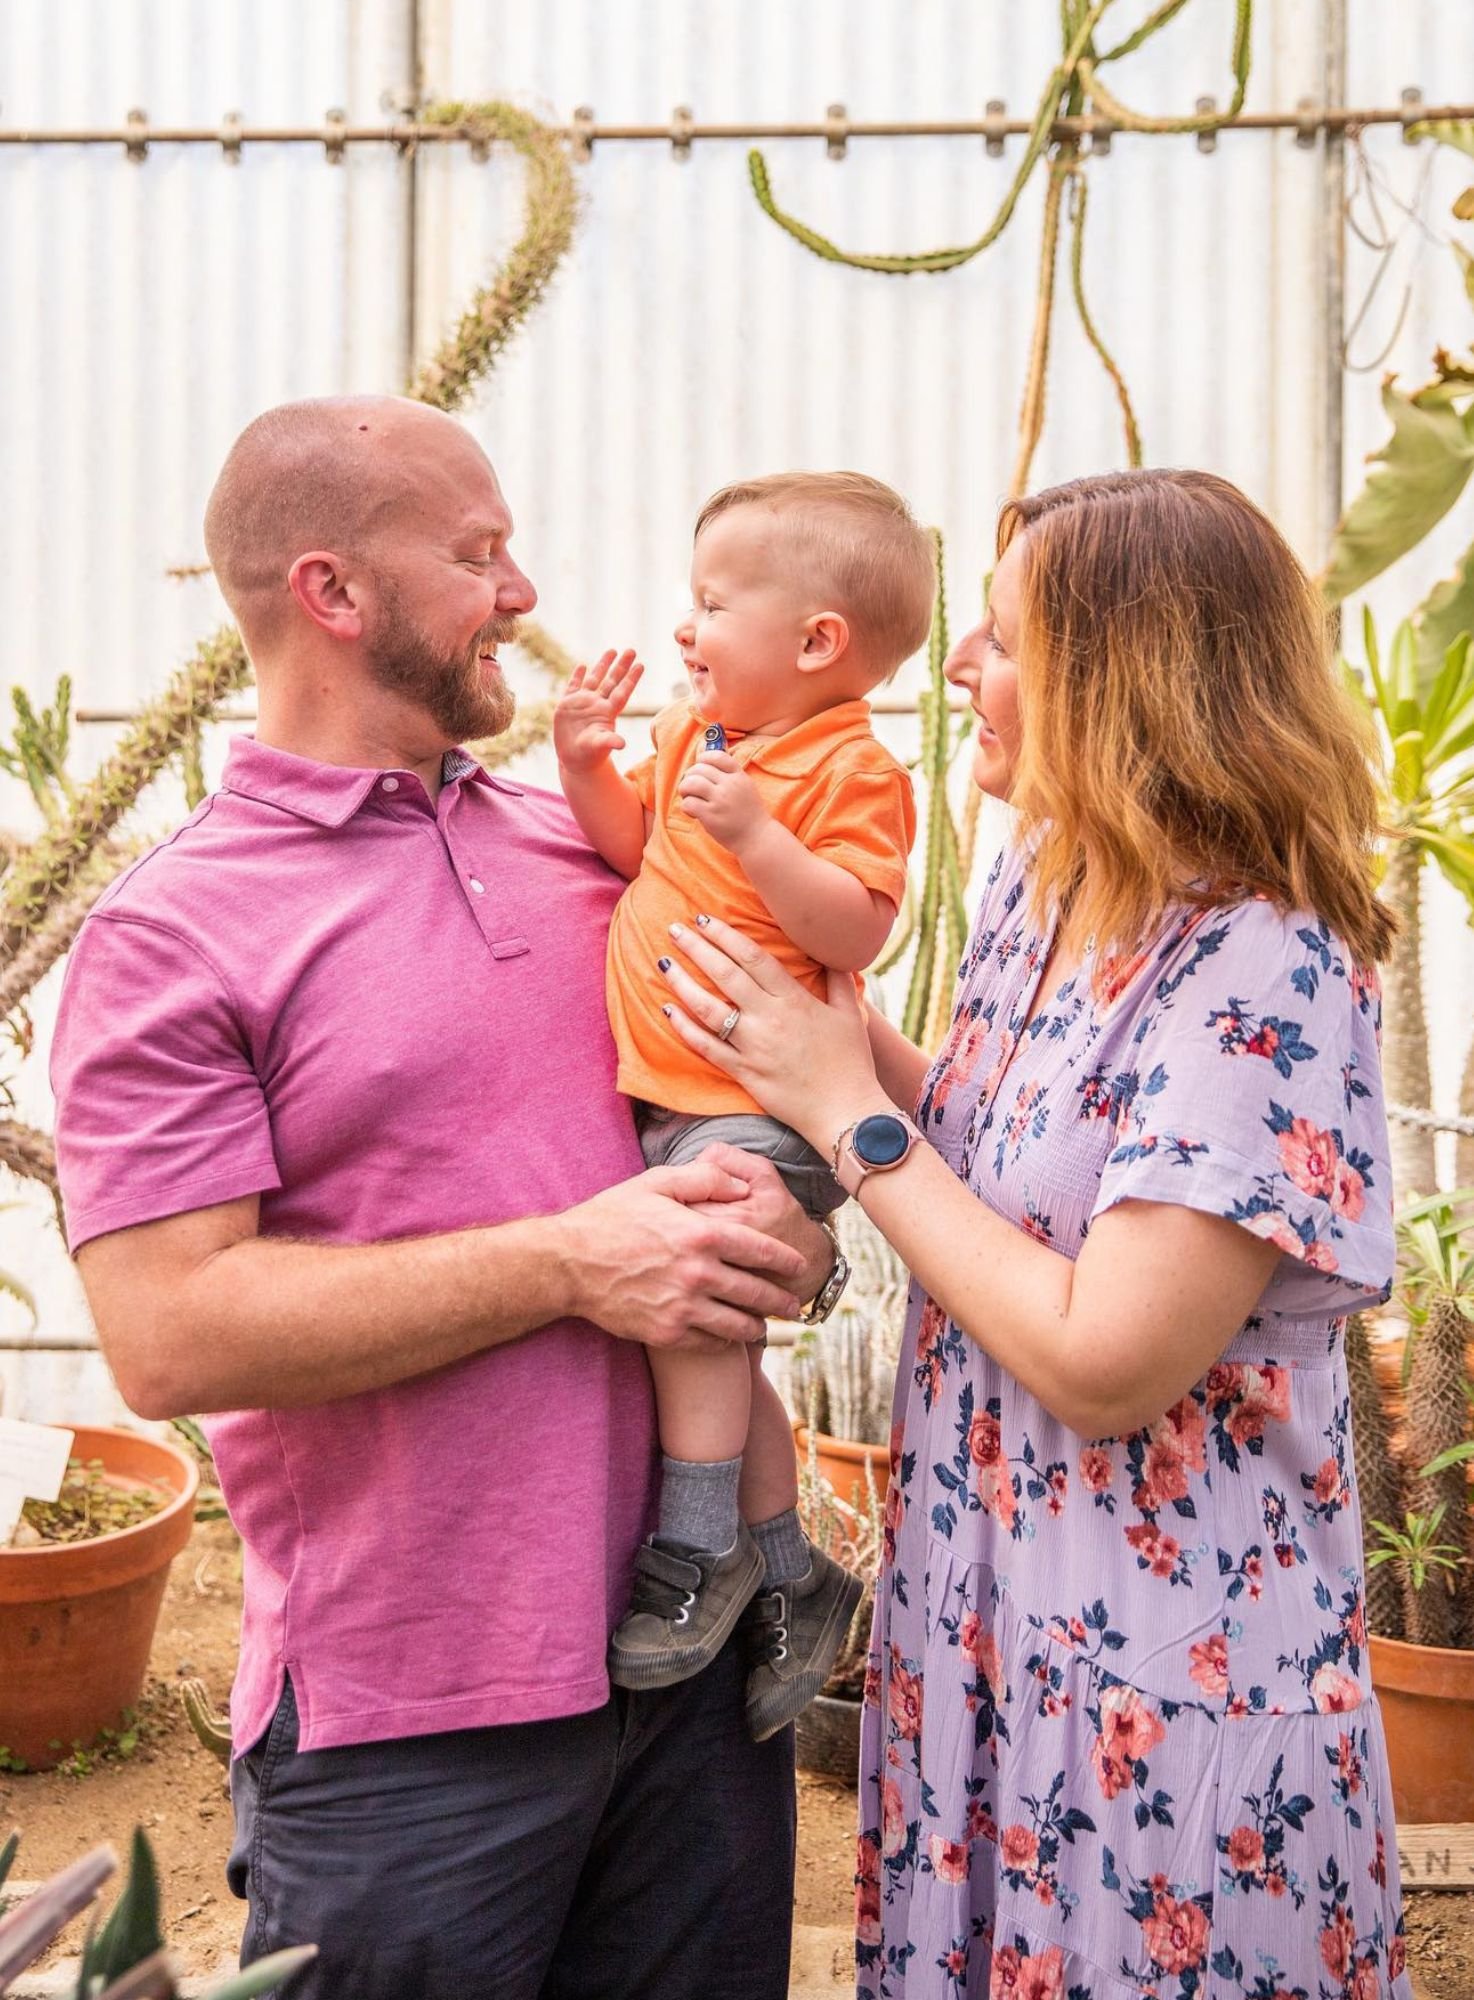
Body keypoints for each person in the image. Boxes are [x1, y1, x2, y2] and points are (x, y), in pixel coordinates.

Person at [48, 395, 842, 2000]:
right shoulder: (171, 935)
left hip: (692, 1678)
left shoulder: (593, 857)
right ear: (332, 594)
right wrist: (570, 1264)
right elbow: (172, 1335)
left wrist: (785, 1234)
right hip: (413, 1725)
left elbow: (743, 1124)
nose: (523, 593)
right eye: (476, 554)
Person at [648, 470, 1413, 1998]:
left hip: (1156, 1704)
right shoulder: (1052, 879)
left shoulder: (1259, 962)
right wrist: (842, 1040)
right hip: (988, 1641)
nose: (952, 670)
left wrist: (843, 1117)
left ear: (1123, 680)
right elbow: (1004, 1154)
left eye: (998, 642)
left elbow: (1106, 1357)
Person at [552, 472, 928, 1737]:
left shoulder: (850, 770)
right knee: (707, 1334)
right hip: (675, 1098)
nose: (684, 628)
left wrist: (765, 838)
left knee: (692, 1310)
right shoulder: (696, 738)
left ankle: (697, 1544)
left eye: (712, 604)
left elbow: (856, 920)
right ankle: (794, 1569)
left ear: (817, 641)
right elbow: (632, 851)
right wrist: (584, 762)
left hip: (761, 1104)